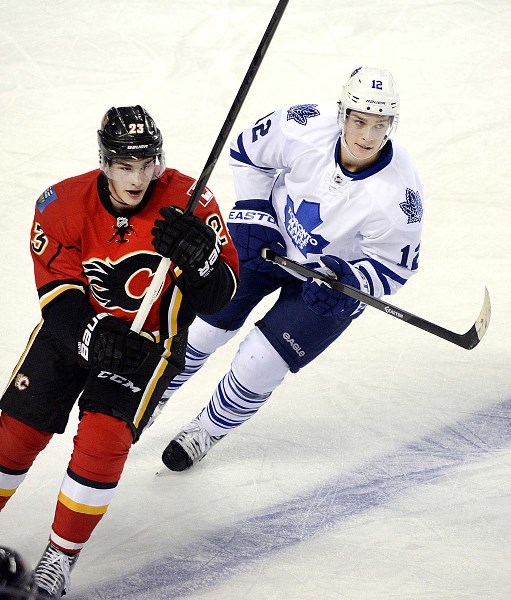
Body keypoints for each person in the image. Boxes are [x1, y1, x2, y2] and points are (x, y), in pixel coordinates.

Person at [0, 105, 239, 599]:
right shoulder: (61, 203)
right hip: (74, 332)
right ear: (105, 163)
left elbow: (221, 297)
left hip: (148, 343)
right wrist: (90, 336)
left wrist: (202, 262)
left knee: (103, 440)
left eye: (146, 164)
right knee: (15, 431)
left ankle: (59, 559)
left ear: (158, 161)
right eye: (125, 166)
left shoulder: (191, 201)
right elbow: (57, 296)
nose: (137, 178)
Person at [158, 66, 424, 472]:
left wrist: (351, 282)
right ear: (342, 114)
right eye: (359, 121)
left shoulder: (400, 195)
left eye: (380, 124)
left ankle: (206, 431)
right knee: (204, 328)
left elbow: (395, 266)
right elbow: (248, 152)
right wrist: (254, 211)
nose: (368, 136)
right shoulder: (303, 126)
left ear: (393, 124)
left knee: (259, 362)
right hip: (269, 242)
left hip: (326, 280)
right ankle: (153, 396)